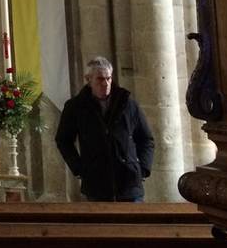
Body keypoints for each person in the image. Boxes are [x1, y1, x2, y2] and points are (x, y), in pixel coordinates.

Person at [55, 56, 155, 202]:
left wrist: (143, 169)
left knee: (134, 223)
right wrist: (79, 168)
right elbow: (63, 140)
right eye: (100, 79)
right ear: (88, 79)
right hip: (96, 183)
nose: (106, 83)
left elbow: (146, 139)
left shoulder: (127, 103)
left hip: (129, 182)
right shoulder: (76, 107)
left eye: (108, 78)